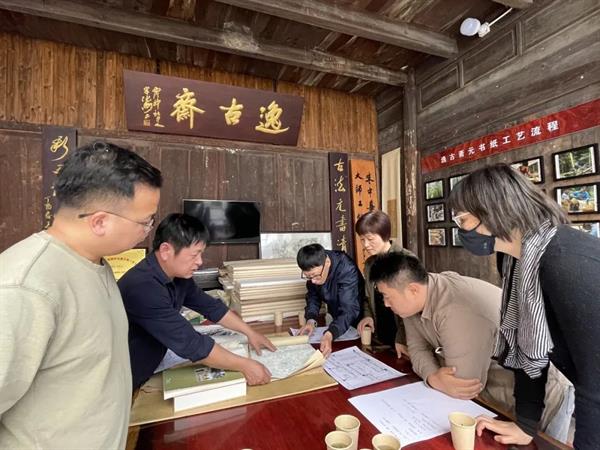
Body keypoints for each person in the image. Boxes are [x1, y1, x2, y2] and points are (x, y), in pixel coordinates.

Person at [0, 141, 162, 449]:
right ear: (100, 221)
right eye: (145, 222)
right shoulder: (25, 287)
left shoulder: (95, 263)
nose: (148, 230)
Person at [449, 163, 600, 448]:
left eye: (462, 220)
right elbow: (528, 343)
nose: (462, 230)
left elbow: (596, 382)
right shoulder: (515, 261)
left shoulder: (565, 260)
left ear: (490, 212)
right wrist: (526, 424)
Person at [119, 213, 276, 391]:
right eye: (194, 255)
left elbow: (211, 307)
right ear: (165, 251)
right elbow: (192, 344)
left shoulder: (178, 276)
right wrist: (245, 365)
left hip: (151, 363)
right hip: (126, 377)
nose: (199, 262)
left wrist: (250, 333)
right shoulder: (143, 288)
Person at [369, 251, 514, 412]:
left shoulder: (456, 310)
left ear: (413, 290)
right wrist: (432, 377)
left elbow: (462, 385)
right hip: (478, 390)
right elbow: (417, 349)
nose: (386, 304)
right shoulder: (414, 301)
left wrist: (437, 375)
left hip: (510, 395)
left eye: (387, 297)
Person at [355, 210, 415, 358]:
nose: (366, 245)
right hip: (380, 338)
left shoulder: (406, 260)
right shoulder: (370, 264)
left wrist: (401, 338)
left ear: (385, 235)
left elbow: (413, 307)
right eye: (362, 240)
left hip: (406, 338)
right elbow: (367, 297)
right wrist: (367, 316)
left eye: (370, 239)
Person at [296, 243, 364, 357]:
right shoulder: (315, 267)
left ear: (327, 263)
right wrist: (311, 320)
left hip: (357, 322)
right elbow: (313, 296)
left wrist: (330, 333)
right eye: (308, 277)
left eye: (315, 276)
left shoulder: (346, 268)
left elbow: (349, 310)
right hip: (337, 321)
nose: (313, 281)